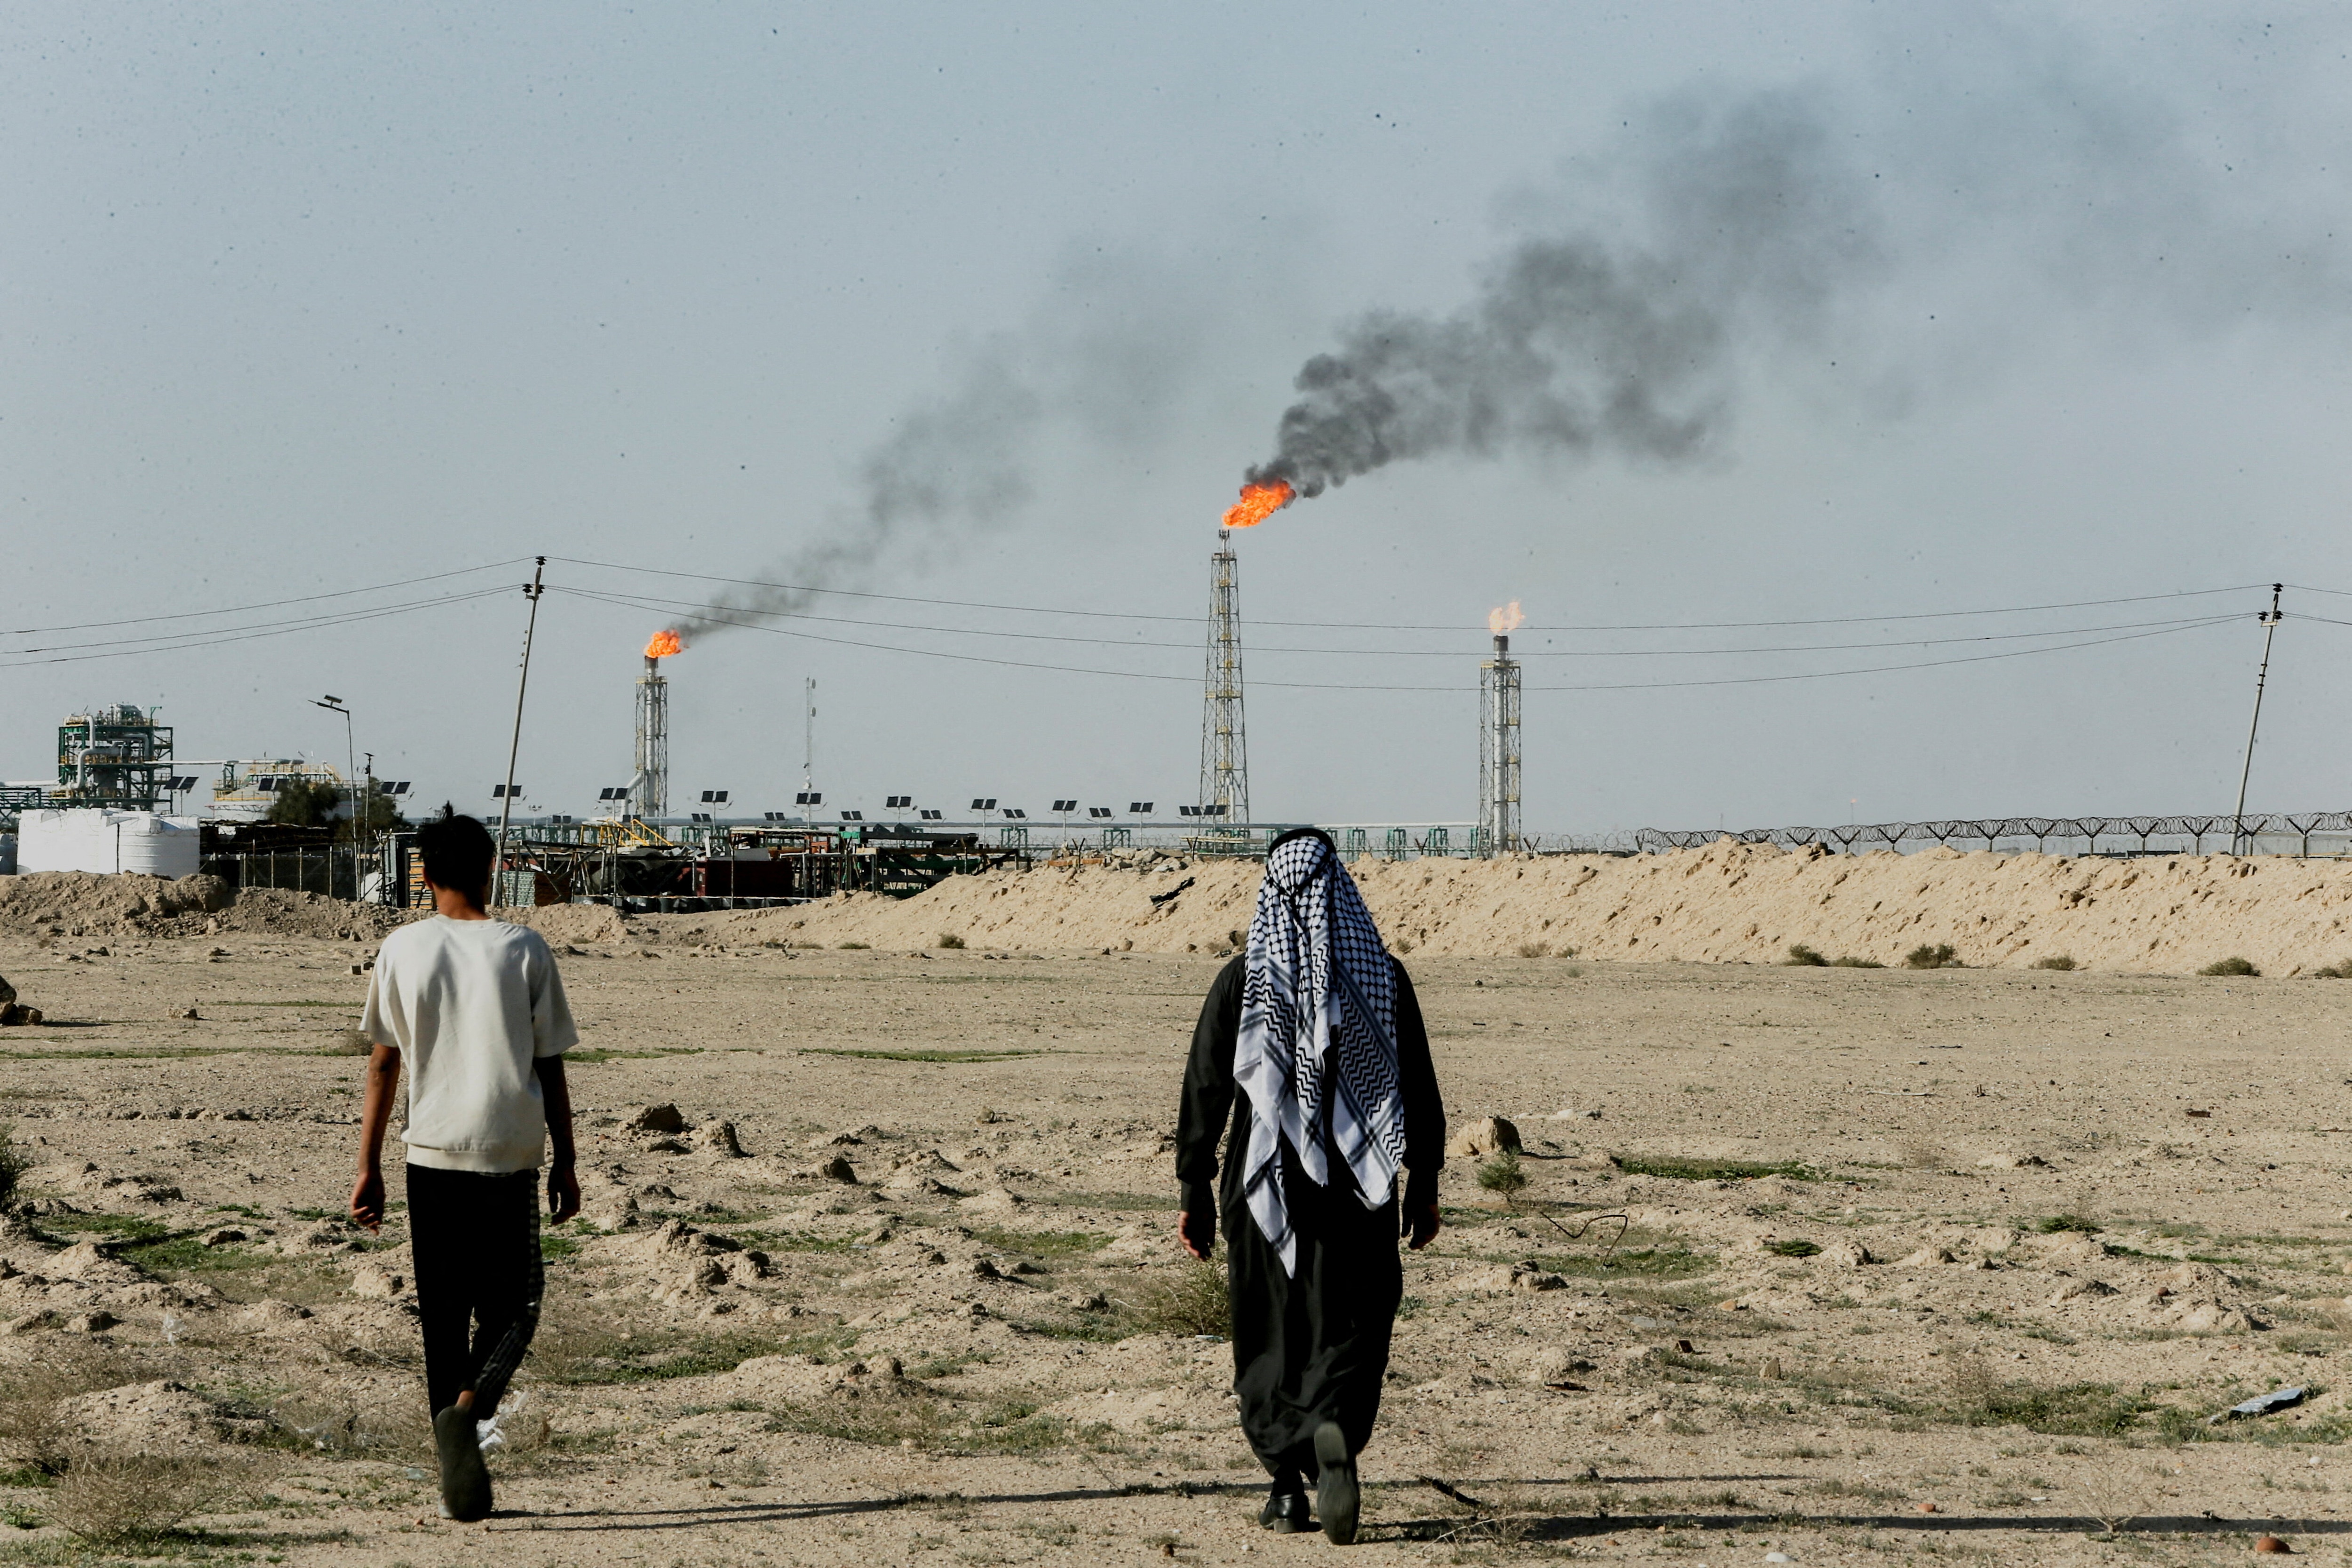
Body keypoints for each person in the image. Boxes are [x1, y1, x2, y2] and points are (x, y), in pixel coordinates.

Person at [1175, 828, 1446, 1546]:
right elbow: (1414, 1084)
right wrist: (1426, 1179)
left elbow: (1205, 1084)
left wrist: (1193, 1187)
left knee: (1271, 1325)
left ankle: (1285, 1486)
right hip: (1360, 1185)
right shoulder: (1380, 976)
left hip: (1266, 1185)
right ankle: (1337, 1433)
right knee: (1350, 1319)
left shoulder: (1246, 977)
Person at [350, 810, 580, 1523]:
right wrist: (567, 1160)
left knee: (443, 1318)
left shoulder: (402, 948)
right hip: (509, 1152)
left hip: (430, 1152)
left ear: (423, 873)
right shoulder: (525, 949)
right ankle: (469, 1411)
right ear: (492, 870)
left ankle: (455, 1468)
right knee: (517, 1307)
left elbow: (384, 1064)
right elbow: (553, 1068)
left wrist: (368, 1165)